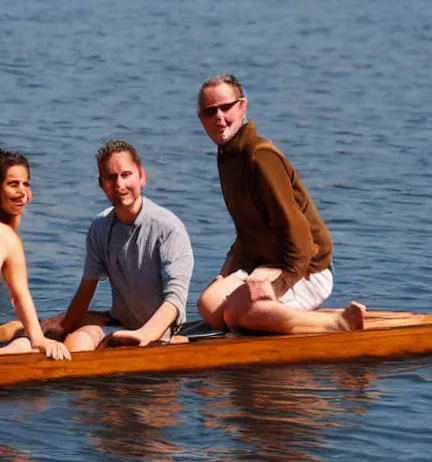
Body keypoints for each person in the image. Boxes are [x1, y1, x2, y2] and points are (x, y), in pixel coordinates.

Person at [196, 74, 366, 335]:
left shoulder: (260, 157)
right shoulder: (229, 156)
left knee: (237, 312)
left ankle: (338, 323)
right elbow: (247, 232)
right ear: (201, 119)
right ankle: (262, 324)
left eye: (226, 107)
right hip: (268, 264)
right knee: (208, 304)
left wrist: (276, 288)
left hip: (306, 268)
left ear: (242, 107)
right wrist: (226, 273)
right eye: (210, 112)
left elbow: (300, 236)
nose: (218, 117)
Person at [45, 140, 193, 352]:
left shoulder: (169, 229)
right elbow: (87, 287)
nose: (120, 185)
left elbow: (175, 299)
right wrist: (62, 329)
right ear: (101, 184)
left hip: (161, 332)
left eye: (126, 175)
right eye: (111, 178)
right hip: (119, 324)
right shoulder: (100, 227)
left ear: (141, 177)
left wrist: (144, 335)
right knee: (76, 342)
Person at [0, 149, 70, 359]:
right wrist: (38, 340)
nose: (22, 192)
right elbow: (19, 295)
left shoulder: (8, 232)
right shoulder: (7, 237)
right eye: (13, 184)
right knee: (25, 344)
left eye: (26, 184)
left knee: (21, 327)